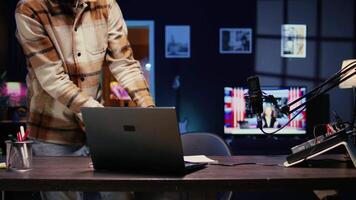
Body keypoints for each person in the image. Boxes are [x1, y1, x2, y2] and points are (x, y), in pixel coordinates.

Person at [15, 0, 154, 199]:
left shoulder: (106, 5)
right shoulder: (30, 9)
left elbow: (124, 64)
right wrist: (101, 118)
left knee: (121, 195)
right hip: (52, 133)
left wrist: (149, 110)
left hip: (98, 130)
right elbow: (53, 79)